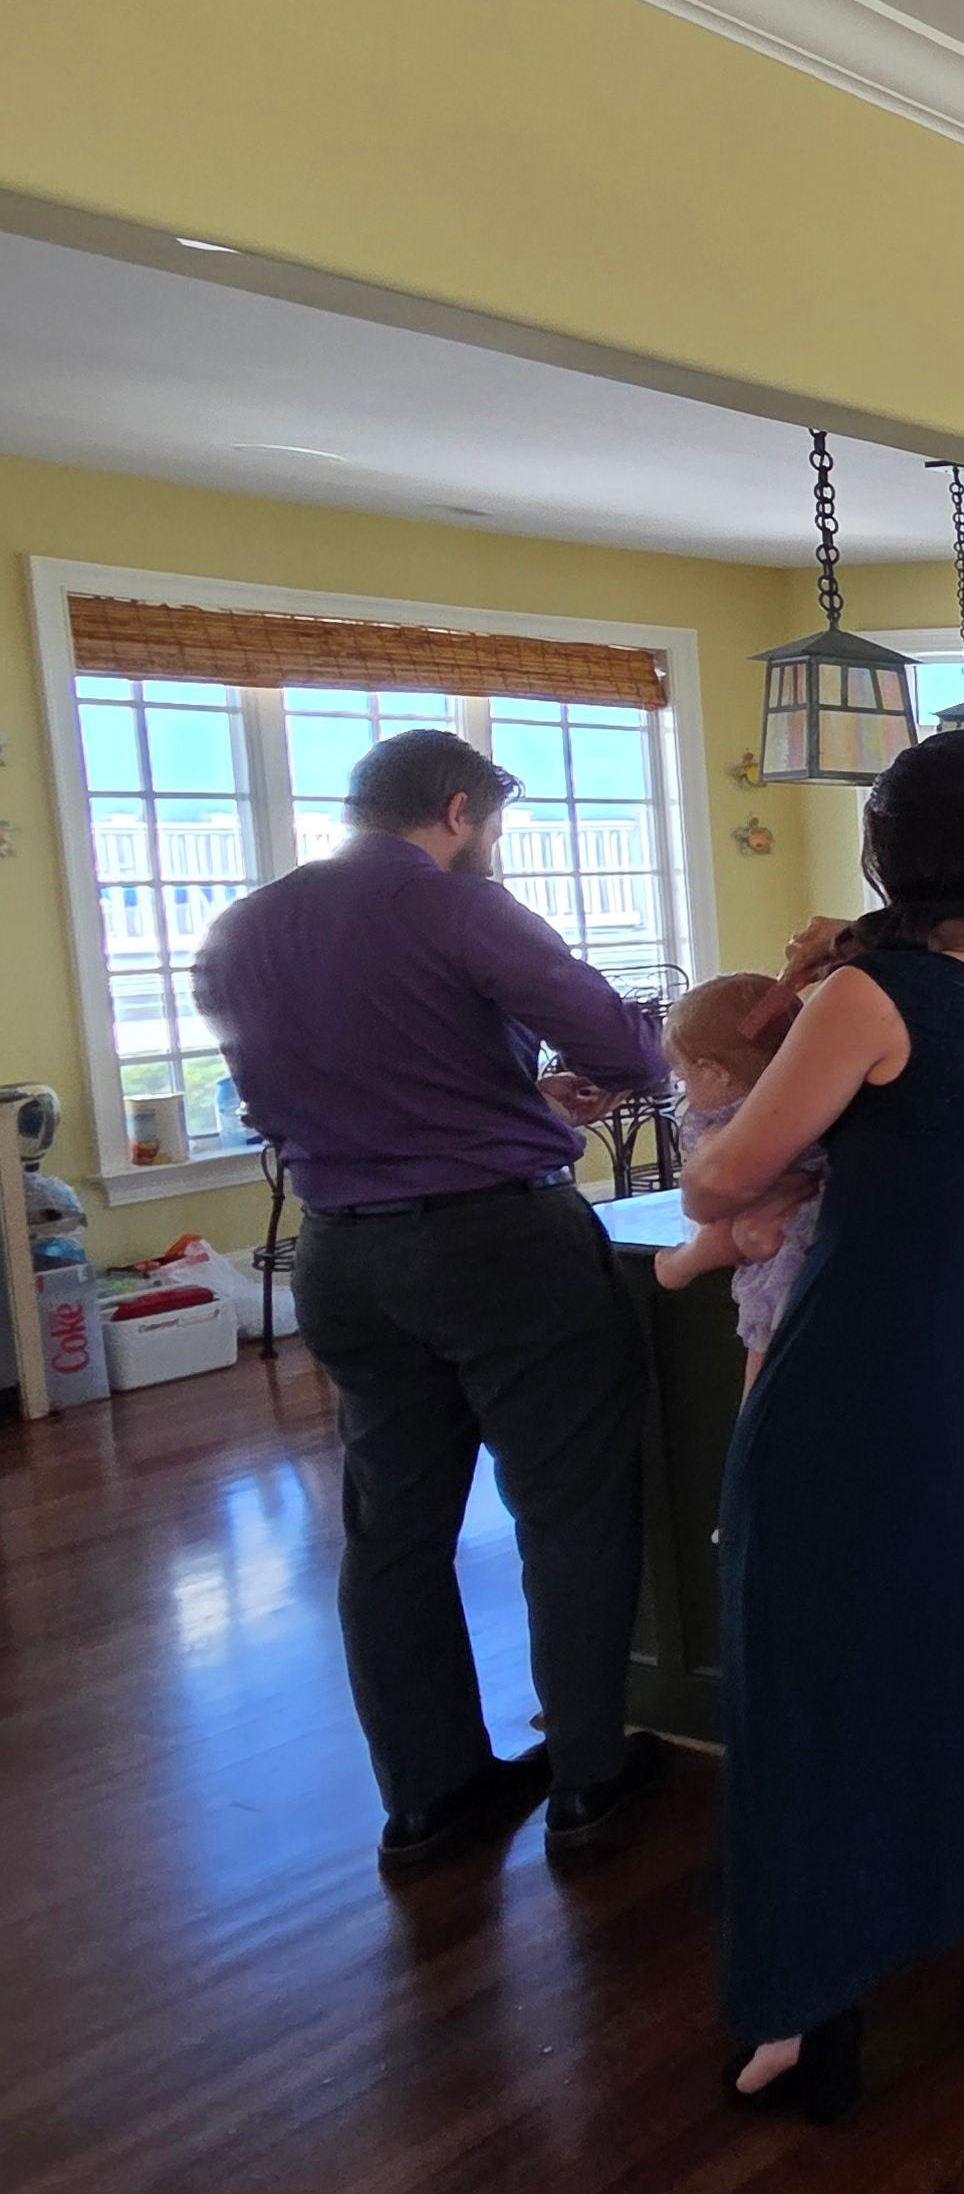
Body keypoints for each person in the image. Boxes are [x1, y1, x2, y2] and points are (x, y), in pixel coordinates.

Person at [685, 731, 964, 2119]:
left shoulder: (874, 997)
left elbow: (722, 1180)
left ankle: (812, 2001)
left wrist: (790, 1021)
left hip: (873, 1361)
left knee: (809, 1660)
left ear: (900, 855)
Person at [192, 728, 671, 1877]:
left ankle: (428, 1796)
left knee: (392, 1529)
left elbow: (280, 1094)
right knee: (567, 1504)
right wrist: (600, 1076)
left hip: (340, 1251)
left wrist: (508, 1092)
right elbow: (620, 1041)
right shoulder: (455, 905)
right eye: (491, 825)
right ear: (458, 811)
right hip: (498, 1244)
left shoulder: (242, 926)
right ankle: (588, 1779)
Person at [650, 973, 821, 1385]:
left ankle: (680, 1266)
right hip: (818, 1228)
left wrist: (683, 1261)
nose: (684, 1091)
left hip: (783, 1248)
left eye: (685, 1078)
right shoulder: (814, 1092)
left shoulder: (731, 1125)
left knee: (762, 1361)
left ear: (715, 1072)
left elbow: (716, 1207)